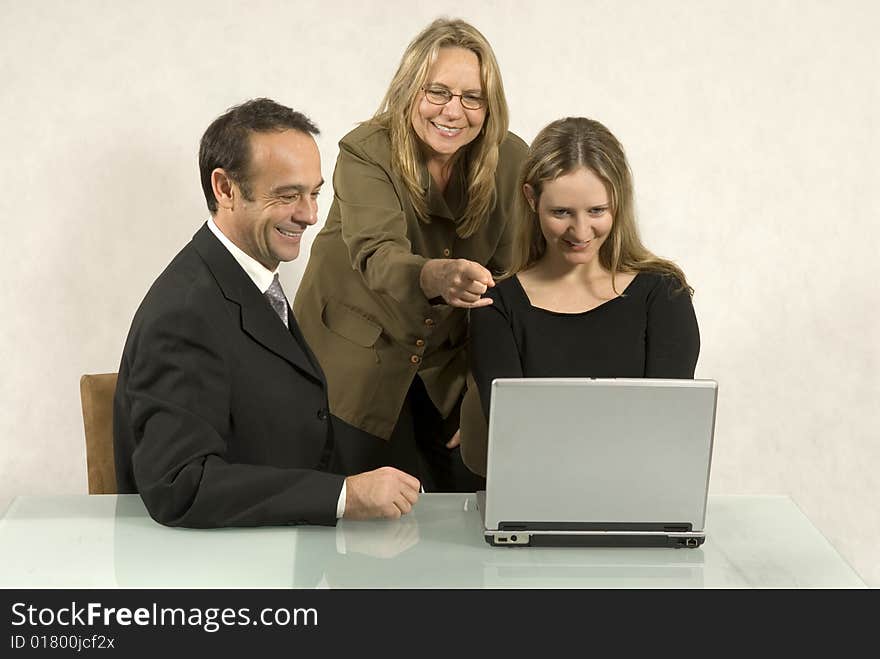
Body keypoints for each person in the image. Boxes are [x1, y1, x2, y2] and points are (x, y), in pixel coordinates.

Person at [113, 98, 420, 528]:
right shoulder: (184, 314)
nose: (310, 215)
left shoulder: (247, 281)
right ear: (225, 189)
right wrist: (343, 495)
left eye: (313, 193)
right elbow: (181, 485)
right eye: (288, 195)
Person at [292, 19, 528, 492]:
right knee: (359, 537)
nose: (453, 111)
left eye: (471, 97)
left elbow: (509, 288)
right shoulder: (365, 151)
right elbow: (378, 256)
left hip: (444, 372)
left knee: (461, 522)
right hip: (352, 365)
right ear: (409, 89)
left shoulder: (512, 159)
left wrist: (486, 395)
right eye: (437, 92)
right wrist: (439, 276)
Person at [459, 117, 701, 476]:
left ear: (618, 201)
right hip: (532, 497)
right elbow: (516, 437)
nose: (581, 231)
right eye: (561, 213)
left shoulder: (664, 295)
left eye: (596, 211)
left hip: (640, 496)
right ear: (531, 198)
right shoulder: (496, 305)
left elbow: (665, 431)